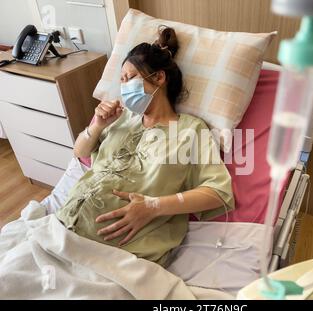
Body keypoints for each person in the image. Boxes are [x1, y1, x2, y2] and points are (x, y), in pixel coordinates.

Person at [55, 26, 235, 267]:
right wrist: (97, 125)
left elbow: (218, 193)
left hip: (118, 254)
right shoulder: (120, 118)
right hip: (62, 227)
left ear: (159, 78)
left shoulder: (190, 130)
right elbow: (80, 153)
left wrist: (153, 207)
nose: (123, 86)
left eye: (130, 77)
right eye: (121, 80)